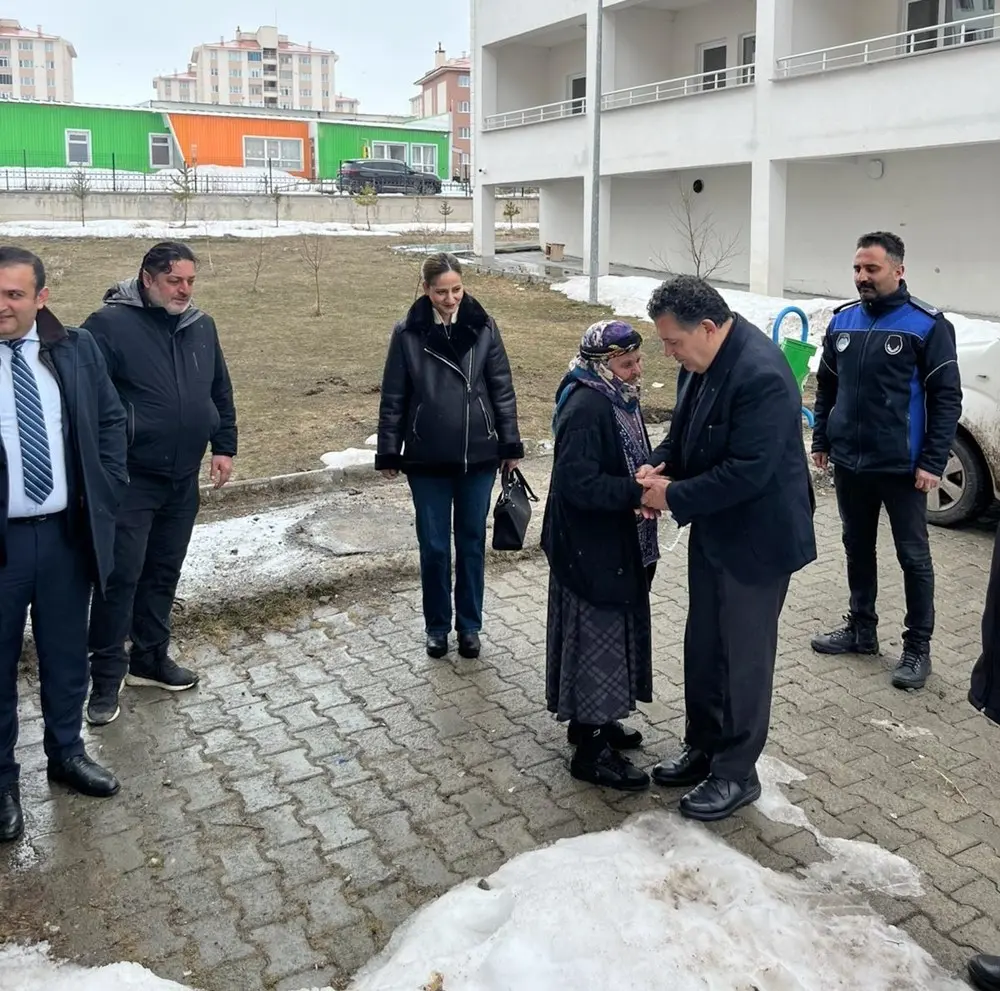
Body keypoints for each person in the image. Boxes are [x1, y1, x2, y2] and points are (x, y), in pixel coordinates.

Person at [637, 275, 816, 822]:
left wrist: (671, 496)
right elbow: (684, 431)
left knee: (742, 657)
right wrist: (661, 464)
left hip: (758, 538)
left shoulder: (760, 374)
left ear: (708, 328)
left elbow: (749, 473)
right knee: (705, 643)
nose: (667, 352)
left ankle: (737, 773)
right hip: (716, 526)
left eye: (673, 342)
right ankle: (704, 746)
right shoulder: (700, 360)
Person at [0, 247, 127, 843]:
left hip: (62, 538)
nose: (2, 305)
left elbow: (108, 422)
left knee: (65, 654)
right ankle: (2, 780)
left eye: (14, 295)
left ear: (40, 298)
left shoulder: (74, 351)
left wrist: (107, 487)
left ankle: (67, 753)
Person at [83, 242, 238, 726]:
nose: (185, 291)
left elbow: (219, 389)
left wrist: (224, 445)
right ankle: (106, 679)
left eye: (191, 281)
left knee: (164, 571)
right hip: (130, 480)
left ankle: (150, 659)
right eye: (175, 281)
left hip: (181, 479)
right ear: (148, 278)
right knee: (119, 578)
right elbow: (88, 405)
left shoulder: (200, 326)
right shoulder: (107, 327)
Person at [810, 232, 962, 691]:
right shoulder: (843, 322)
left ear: (898, 270)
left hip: (903, 468)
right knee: (857, 547)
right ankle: (862, 630)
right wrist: (821, 437)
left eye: (871, 269)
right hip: (852, 464)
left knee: (913, 557)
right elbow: (827, 388)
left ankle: (918, 647)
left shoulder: (927, 326)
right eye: (857, 269)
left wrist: (932, 462)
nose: (862, 278)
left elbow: (946, 400)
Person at [376, 252, 522, 660]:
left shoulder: (484, 327)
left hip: (478, 456)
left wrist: (509, 444)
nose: (451, 298)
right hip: (426, 458)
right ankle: (437, 627)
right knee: (435, 547)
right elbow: (394, 395)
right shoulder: (408, 332)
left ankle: (470, 627)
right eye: (442, 291)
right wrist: (389, 450)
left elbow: (502, 388)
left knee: (472, 543)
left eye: (457, 289)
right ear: (426, 290)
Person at [542, 320, 658, 791]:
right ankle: (590, 752)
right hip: (590, 550)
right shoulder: (589, 405)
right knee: (597, 642)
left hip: (608, 544)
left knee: (612, 639)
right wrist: (635, 490)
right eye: (627, 364)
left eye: (636, 361)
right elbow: (577, 483)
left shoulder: (612, 395)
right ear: (602, 364)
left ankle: (595, 722)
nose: (636, 370)